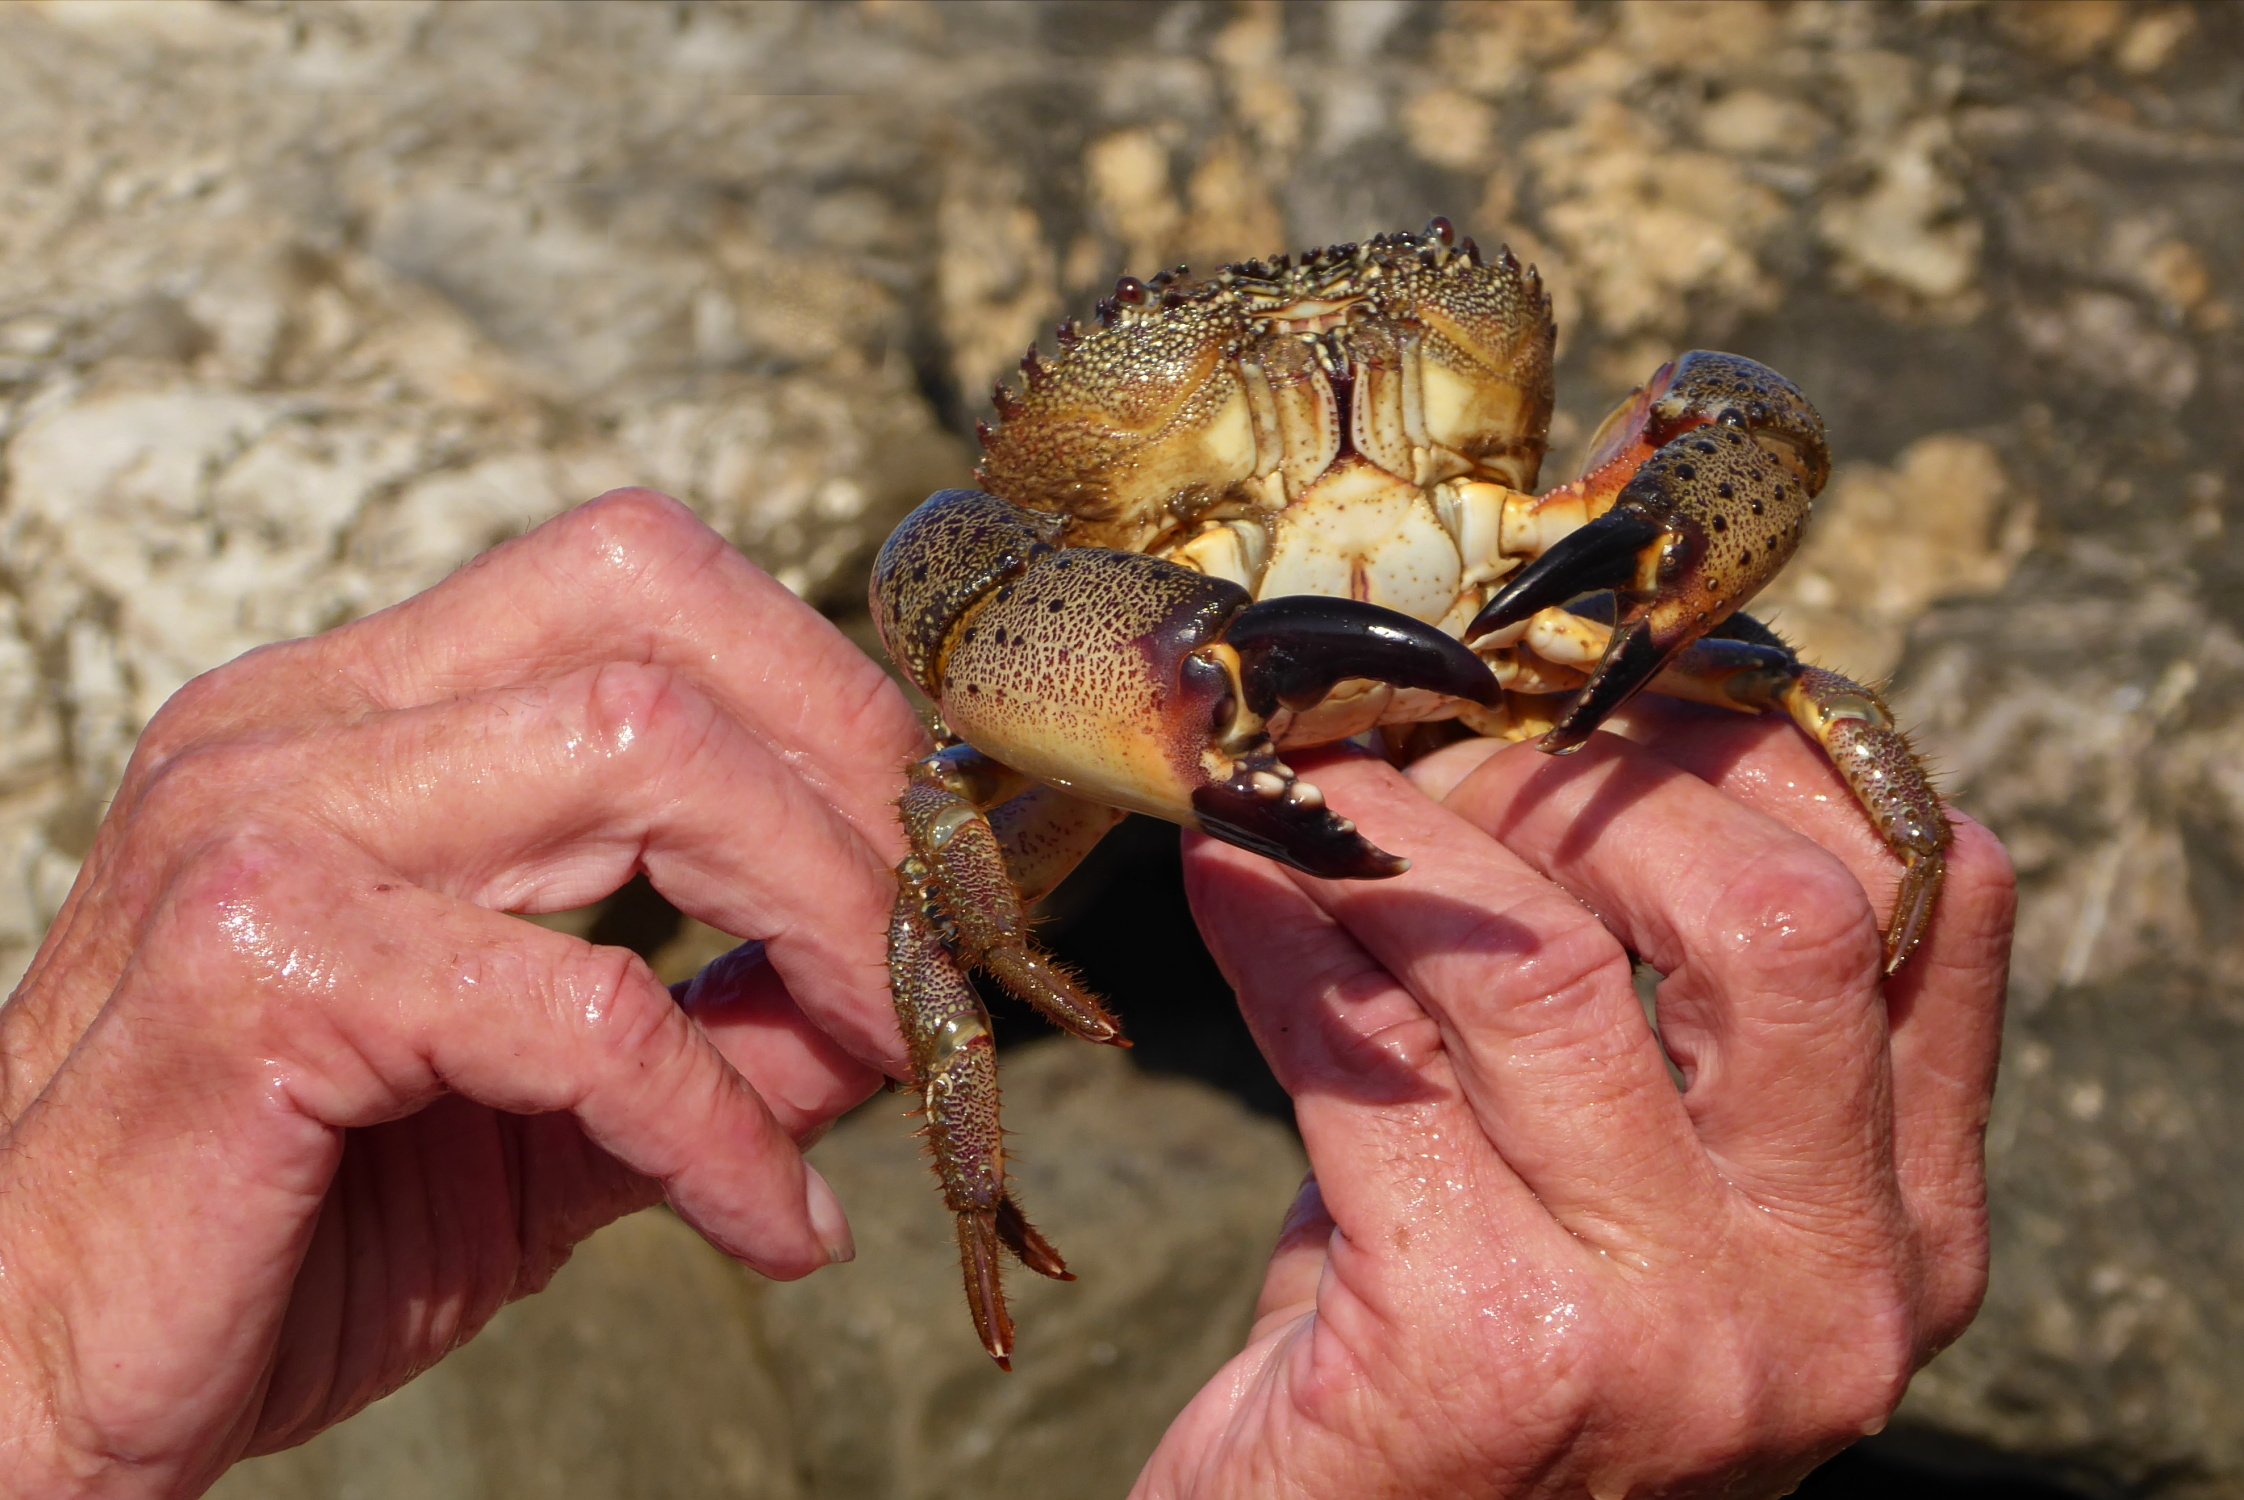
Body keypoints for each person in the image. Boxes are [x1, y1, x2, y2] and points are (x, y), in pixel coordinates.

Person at [0, 490, 2014, 1499]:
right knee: (927, 896)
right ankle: (983, 1178)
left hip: (1524, 605)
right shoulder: (1043, 595)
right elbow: (950, 674)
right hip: (1135, 671)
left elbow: (1744, 435)